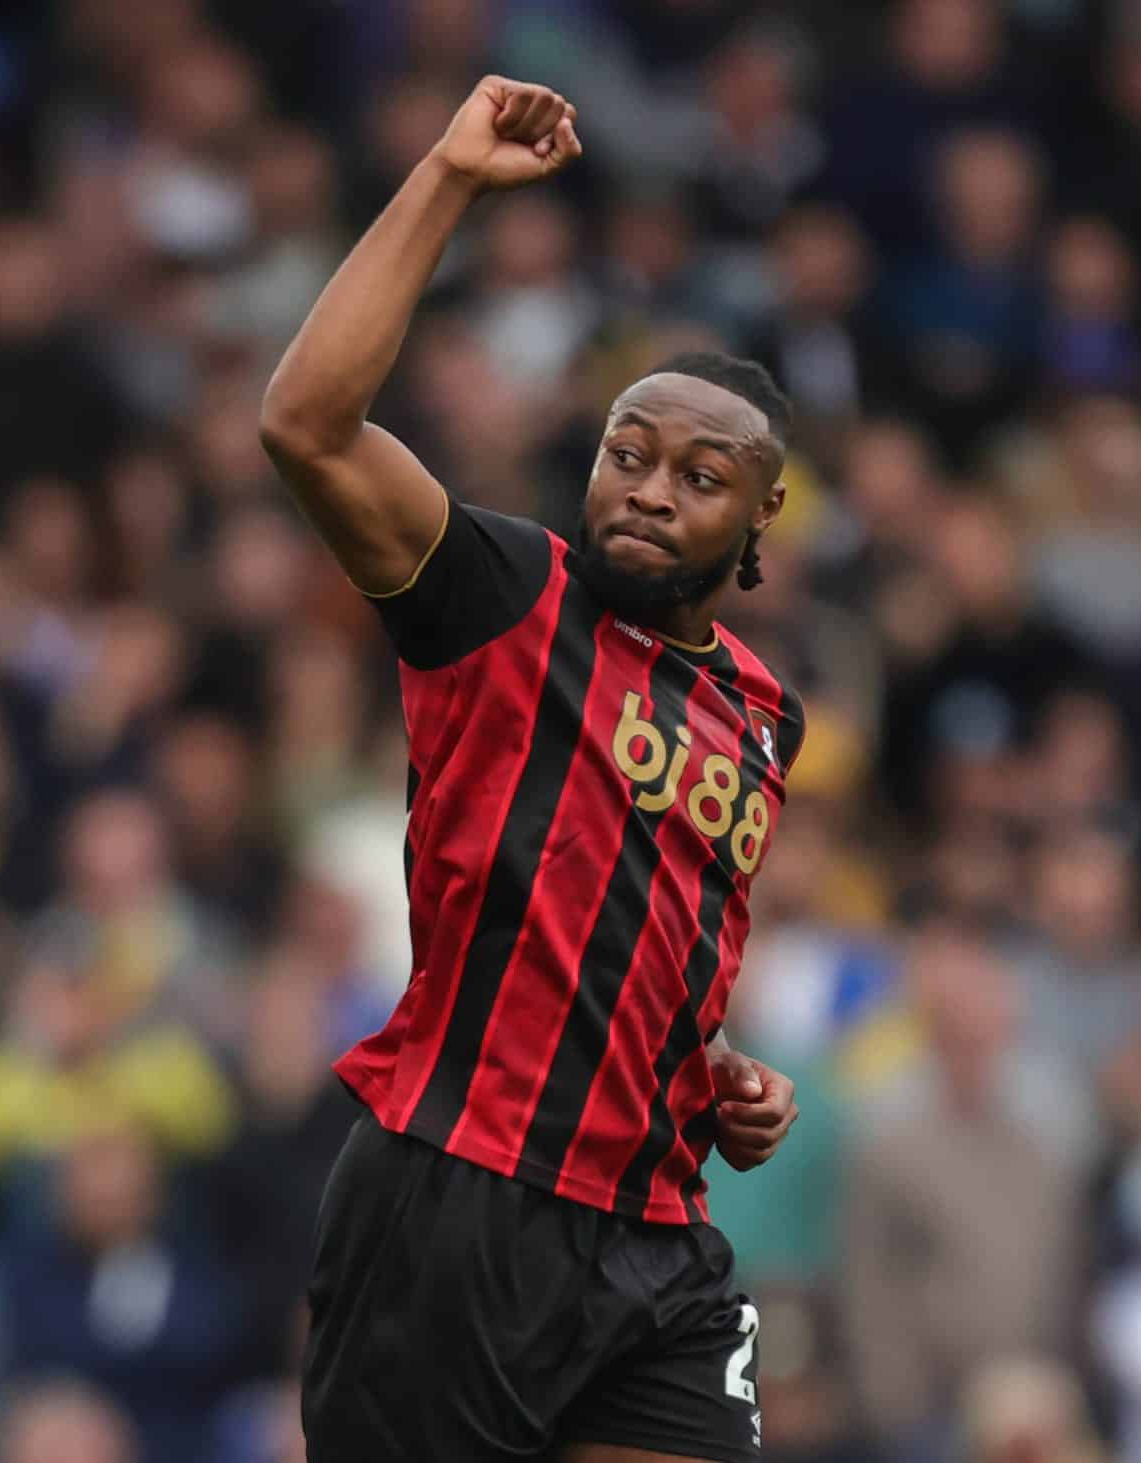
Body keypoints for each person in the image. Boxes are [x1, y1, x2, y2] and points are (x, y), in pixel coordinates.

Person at [260, 75, 805, 1463]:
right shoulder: (502, 595)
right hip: (459, 1202)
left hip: (656, 1227)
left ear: (762, 516)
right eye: (629, 454)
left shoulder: (764, 714)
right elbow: (307, 424)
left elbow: (635, 933)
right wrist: (449, 177)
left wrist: (717, 1072)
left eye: (698, 477)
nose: (649, 490)